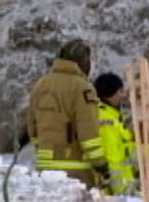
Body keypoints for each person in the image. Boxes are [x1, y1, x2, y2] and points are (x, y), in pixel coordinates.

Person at [26, 39, 109, 189]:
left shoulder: (40, 84)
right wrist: (101, 165)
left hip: (45, 169)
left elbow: (32, 128)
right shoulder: (82, 88)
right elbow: (88, 132)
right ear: (83, 61)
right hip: (74, 169)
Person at [94, 72, 137, 195]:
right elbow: (112, 158)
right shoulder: (106, 120)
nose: (123, 95)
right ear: (109, 94)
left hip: (124, 187)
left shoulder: (115, 117)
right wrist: (120, 192)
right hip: (114, 194)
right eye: (120, 91)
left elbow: (127, 151)